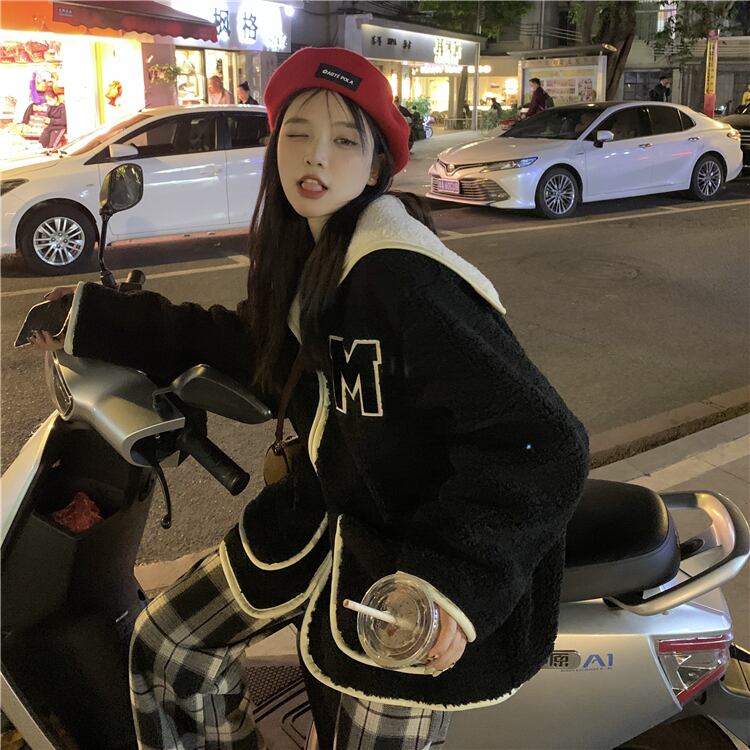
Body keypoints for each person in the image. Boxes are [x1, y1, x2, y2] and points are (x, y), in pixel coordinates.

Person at [31, 46, 589, 750]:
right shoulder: (314, 254)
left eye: (344, 140)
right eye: (297, 133)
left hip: (406, 570)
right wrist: (99, 319)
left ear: (377, 165)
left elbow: (545, 441)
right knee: (168, 649)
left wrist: (452, 582)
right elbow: (250, 342)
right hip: (320, 518)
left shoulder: (401, 277)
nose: (315, 156)